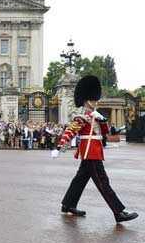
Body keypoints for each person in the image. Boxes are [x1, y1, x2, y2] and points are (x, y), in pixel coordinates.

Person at [53, 75, 138, 223]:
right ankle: (118, 212)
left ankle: (68, 205)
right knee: (103, 182)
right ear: (86, 101)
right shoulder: (82, 116)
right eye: (93, 100)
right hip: (90, 152)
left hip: (95, 151)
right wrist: (60, 146)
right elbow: (71, 131)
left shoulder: (96, 116)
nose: (95, 102)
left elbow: (106, 133)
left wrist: (103, 121)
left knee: (80, 179)